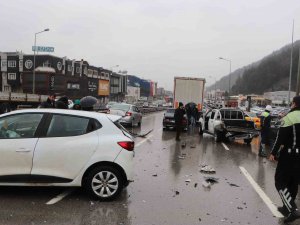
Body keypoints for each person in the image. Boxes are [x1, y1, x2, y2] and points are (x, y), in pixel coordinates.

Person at [269, 96, 300, 223]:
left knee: (280, 182)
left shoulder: (288, 118)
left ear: (294, 104)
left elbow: (279, 138)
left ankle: (292, 210)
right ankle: (287, 209)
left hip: (289, 155)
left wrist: (273, 153)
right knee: (293, 182)